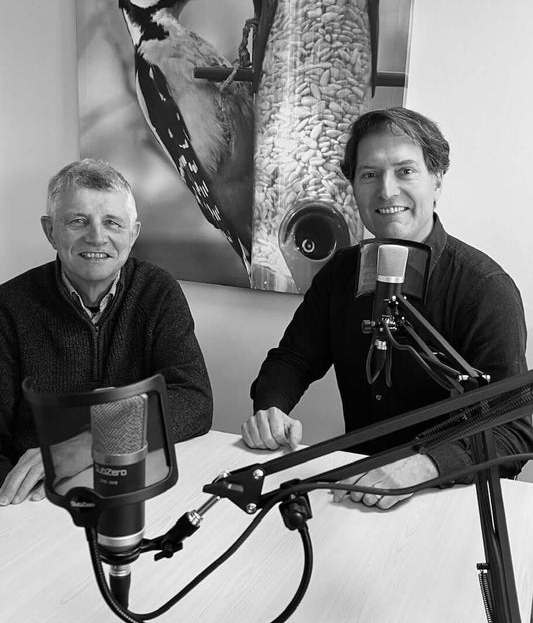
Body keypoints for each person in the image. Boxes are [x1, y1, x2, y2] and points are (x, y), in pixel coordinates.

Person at [241, 108, 532, 509]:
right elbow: (292, 359)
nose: (387, 191)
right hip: (357, 496)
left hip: (450, 500)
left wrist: (423, 466)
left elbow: (513, 428)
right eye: (369, 174)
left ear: (437, 181)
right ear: (354, 187)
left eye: (405, 171)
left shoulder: (484, 289)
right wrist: (271, 408)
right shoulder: (341, 274)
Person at [0, 159, 213, 505]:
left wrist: (88, 444)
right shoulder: (9, 306)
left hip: (134, 490)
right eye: (77, 221)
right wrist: (14, 495)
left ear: (133, 233)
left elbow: (194, 400)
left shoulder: (157, 291)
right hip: (38, 501)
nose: (97, 236)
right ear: (50, 231)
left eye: (112, 222)